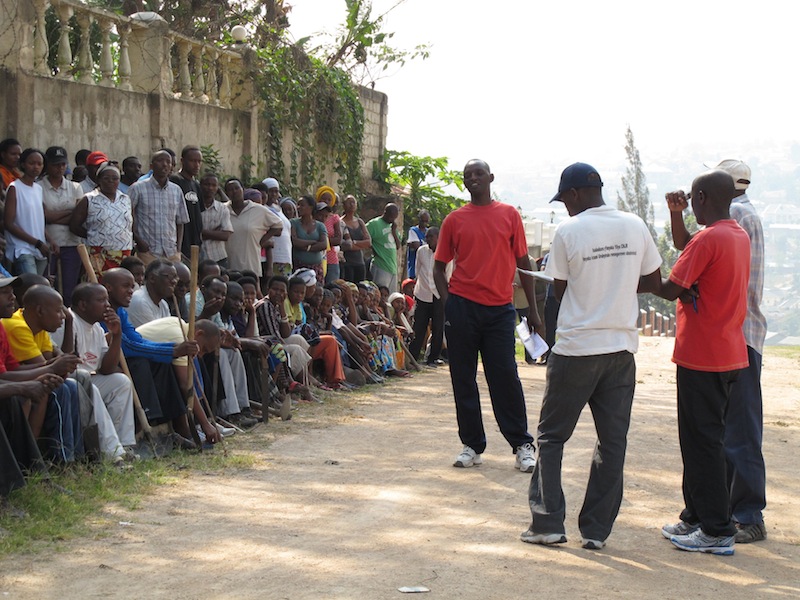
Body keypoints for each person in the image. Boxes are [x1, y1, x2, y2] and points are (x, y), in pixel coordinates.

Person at [521, 163, 662, 550]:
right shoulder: (635, 225)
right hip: (620, 350)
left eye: (564, 198)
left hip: (577, 350)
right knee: (612, 442)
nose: (565, 206)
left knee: (551, 437)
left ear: (575, 194)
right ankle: (597, 531)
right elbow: (652, 281)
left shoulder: (569, 231)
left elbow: (559, 291)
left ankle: (548, 523)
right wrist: (615, 284)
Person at [641, 169, 750, 555]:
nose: (689, 203)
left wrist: (626, 275)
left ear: (701, 197)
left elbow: (670, 289)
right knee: (705, 440)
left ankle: (718, 530)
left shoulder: (709, 238)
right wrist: (676, 215)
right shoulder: (735, 234)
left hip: (703, 356)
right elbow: (691, 250)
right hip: (727, 352)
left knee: (701, 443)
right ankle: (697, 516)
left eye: (691, 198)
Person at [667, 160, 767, 544]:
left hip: (728, 337)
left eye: (696, 197)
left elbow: (694, 253)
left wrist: (674, 284)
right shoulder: (732, 222)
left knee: (729, 433)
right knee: (715, 433)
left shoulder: (735, 219)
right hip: (734, 334)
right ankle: (708, 514)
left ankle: (741, 516)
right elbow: (692, 248)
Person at [433, 159, 542, 472]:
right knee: (463, 378)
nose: (473, 178)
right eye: (468, 175)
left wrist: (533, 310)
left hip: (498, 310)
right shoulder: (454, 220)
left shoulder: (509, 215)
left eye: (478, 173)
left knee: (505, 376)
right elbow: (439, 267)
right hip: (463, 308)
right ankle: (472, 444)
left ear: (491, 177)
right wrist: (448, 301)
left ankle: (522, 444)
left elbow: (524, 264)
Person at [70, 161, 134, 272]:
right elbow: (74, 225)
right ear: (99, 180)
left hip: (124, 252)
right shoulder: (89, 199)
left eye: (115, 179)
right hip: (99, 253)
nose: (111, 181)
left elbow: (130, 223)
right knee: (99, 286)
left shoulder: (125, 199)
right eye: (106, 178)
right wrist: (93, 235)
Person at [129, 150, 189, 265]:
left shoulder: (176, 190)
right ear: (151, 166)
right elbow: (128, 217)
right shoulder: (137, 188)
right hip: (148, 252)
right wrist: (139, 241)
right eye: (160, 161)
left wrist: (178, 249)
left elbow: (180, 221)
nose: (165, 164)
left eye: (168, 162)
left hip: (171, 253)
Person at [41, 146, 84, 305]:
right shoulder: (39, 186)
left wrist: (52, 218)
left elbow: (79, 217)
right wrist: (69, 213)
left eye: (62, 164)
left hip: (71, 243)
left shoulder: (75, 187)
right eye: (55, 164)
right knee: (47, 288)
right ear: (47, 165)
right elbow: (43, 216)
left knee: (69, 290)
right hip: (48, 244)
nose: (59, 168)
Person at [224, 178, 282, 283]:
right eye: (230, 189)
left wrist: (263, 240)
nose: (234, 191)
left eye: (237, 188)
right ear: (227, 193)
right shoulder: (223, 210)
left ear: (243, 189)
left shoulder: (258, 209)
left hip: (250, 266)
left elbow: (278, 226)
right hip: (228, 267)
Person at [4, 148, 49, 276]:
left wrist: (49, 239)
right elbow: (9, 224)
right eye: (32, 163)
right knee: (31, 287)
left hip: (39, 249)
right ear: (23, 164)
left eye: (39, 164)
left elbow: (36, 221)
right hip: (22, 248)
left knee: (37, 290)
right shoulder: (14, 187)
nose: (36, 167)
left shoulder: (38, 189)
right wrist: (37, 242)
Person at [409, 227, 445, 366]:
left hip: (438, 294)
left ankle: (432, 358)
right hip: (422, 293)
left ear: (438, 237)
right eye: (427, 237)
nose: (428, 239)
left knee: (438, 327)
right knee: (419, 326)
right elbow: (418, 270)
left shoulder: (445, 252)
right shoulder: (421, 251)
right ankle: (413, 357)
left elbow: (448, 273)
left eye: (431, 237)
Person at [170, 146, 204, 258]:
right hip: (179, 242)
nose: (197, 165)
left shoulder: (196, 185)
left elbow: (199, 214)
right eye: (193, 161)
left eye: (199, 161)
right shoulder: (174, 181)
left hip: (194, 244)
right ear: (182, 161)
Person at [290, 196, 328, 283]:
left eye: (302, 205)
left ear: (311, 207)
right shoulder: (293, 223)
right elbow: (294, 241)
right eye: (298, 204)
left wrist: (306, 247)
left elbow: (323, 244)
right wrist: (313, 242)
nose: (298, 207)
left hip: (316, 268)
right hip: (298, 266)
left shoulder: (320, 226)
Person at [199, 173, 233, 267]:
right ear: (200, 186)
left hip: (218, 258)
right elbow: (191, 233)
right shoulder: (194, 206)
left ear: (217, 188)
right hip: (197, 257)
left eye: (214, 185)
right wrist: (215, 233)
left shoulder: (222, 209)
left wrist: (202, 233)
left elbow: (226, 235)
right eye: (207, 184)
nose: (210, 188)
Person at [262, 178, 293, 278]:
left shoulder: (279, 208)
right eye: (271, 191)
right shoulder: (263, 209)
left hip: (285, 257)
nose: (274, 194)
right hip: (273, 258)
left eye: (276, 191)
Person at [366, 203, 401, 292]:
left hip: (392, 268)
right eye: (390, 217)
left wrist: (394, 231)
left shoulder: (393, 226)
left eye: (394, 218)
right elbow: (364, 238)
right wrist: (374, 249)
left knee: (390, 298)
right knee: (378, 294)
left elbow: (398, 246)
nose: (392, 219)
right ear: (385, 213)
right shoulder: (374, 224)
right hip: (380, 266)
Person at [340, 194, 371, 283]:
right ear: (344, 205)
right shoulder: (340, 222)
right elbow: (342, 245)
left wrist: (353, 243)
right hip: (347, 263)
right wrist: (360, 244)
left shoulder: (360, 222)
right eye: (349, 202)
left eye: (354, 202)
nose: (352, 205)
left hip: (359, 262)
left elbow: (368, 242)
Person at [406, 209, 430, 279]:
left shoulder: (428, 232)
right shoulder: (413, 230)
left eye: (426, 221)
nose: (424, 223)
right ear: (419, 219)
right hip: (414, 267)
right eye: (423, 221)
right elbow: (417, 246)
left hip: (425, 269)